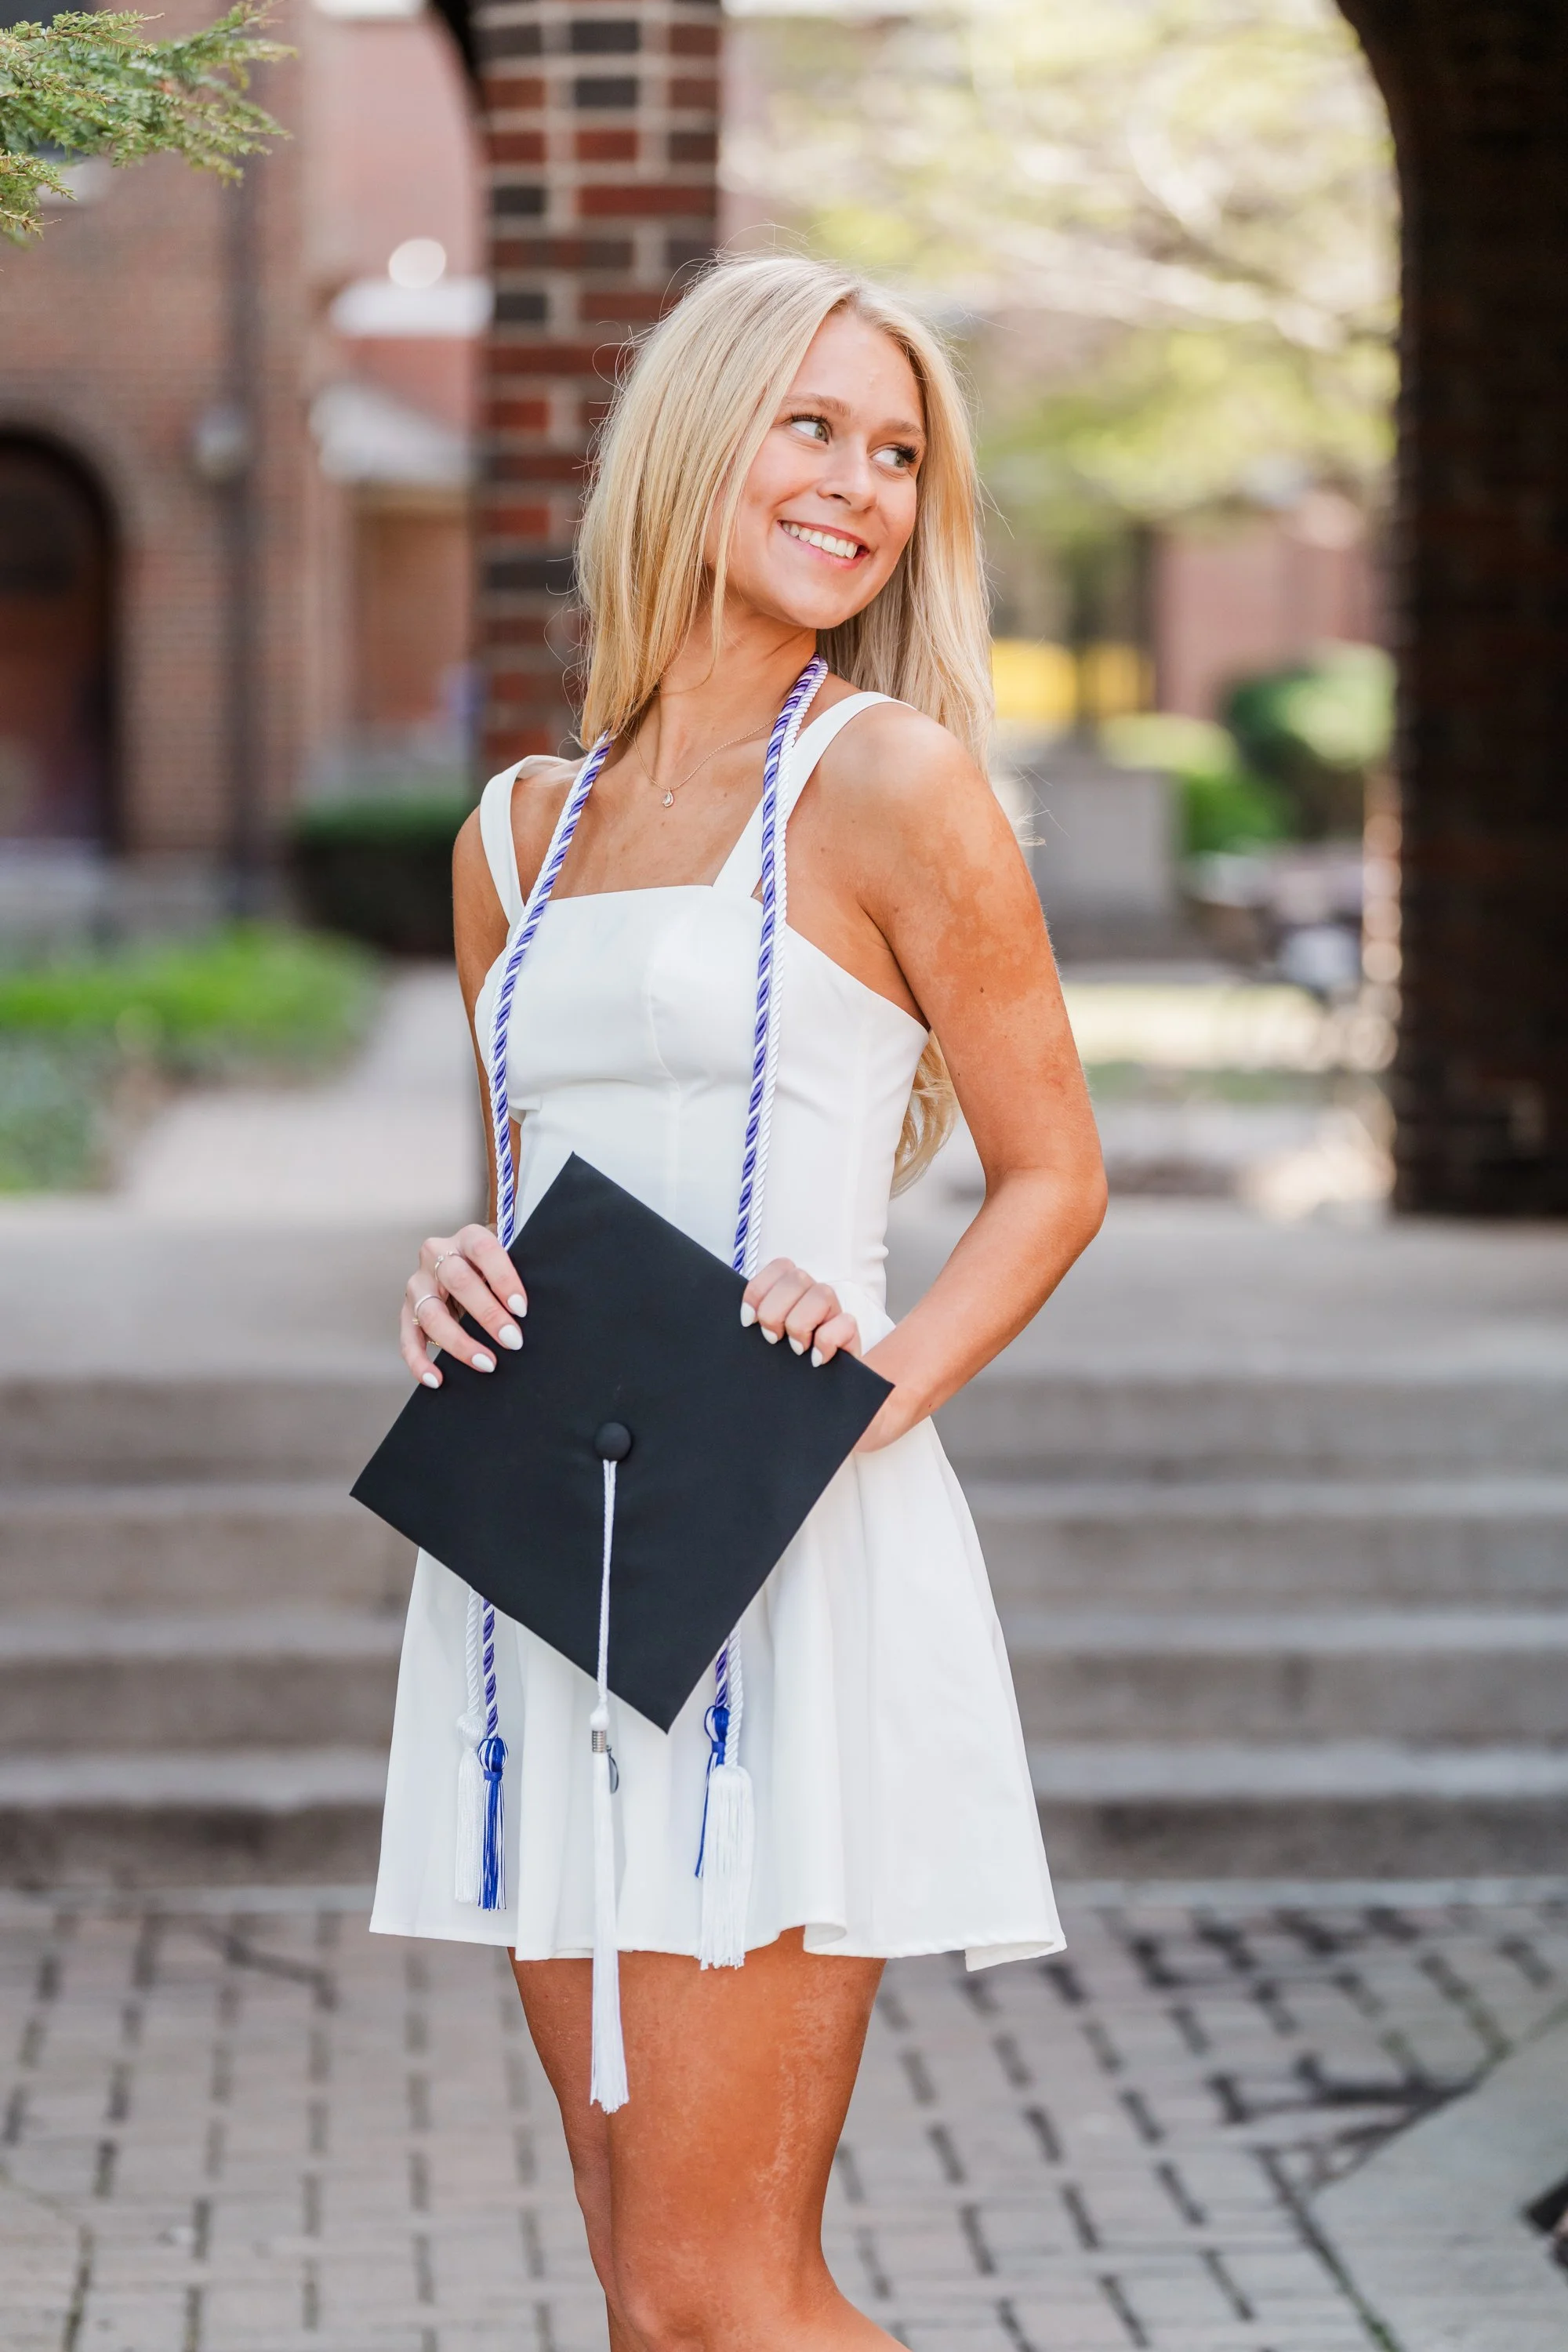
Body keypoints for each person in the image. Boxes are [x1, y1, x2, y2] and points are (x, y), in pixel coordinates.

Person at [370, 253, 1106, 2350]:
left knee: (722, 2293)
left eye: (895, 454)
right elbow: (533, 1193)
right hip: (542, 1582)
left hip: (777, 1550)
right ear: (693, 440)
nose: (858, 485)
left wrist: (865, 1395)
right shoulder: (516, 832)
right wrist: (449, 1275)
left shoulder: (890, 782)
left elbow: (1056, 1174)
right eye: (814, 425)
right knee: (640, 2300)